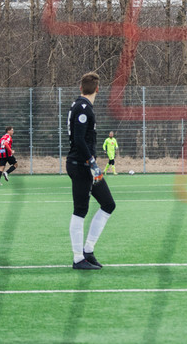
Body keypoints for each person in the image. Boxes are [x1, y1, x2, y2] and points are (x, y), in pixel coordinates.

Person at [67, 72, 116, 270]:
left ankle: (88, 250)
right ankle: (78, 258)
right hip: (81, 165)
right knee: (80, 210)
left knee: (108, 204)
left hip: (86, 165)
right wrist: (92, 163)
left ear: (81, 88)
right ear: (97, 89)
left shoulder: (81, 105)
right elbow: (79, 139)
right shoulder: (83, 107)